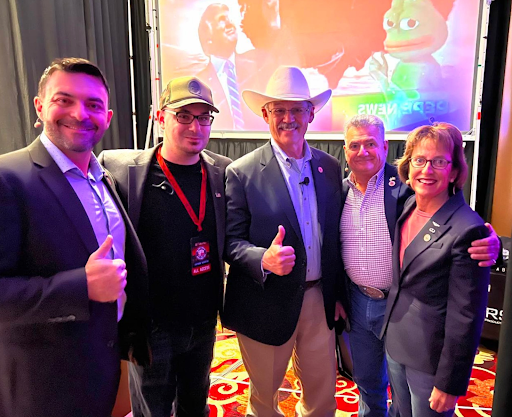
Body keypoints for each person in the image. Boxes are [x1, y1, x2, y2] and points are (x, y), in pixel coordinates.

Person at [0, 57, 149, 417]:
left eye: (93, 105)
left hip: (103, 365)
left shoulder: (104, 177)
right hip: (44, 386)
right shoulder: (8, 177)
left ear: (108, 118)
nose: (80, 114)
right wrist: (79, 286)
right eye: (64, 100)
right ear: (40, 107)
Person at [340, 114, 499, 417]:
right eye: (355, 145)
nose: (363, 152)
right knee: (372, 385)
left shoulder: (403, 190)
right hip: (363, 306)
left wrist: (489, 241)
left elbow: (446, 205)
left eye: (370, 144)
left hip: (419, 332)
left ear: (385, 147)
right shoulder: (343, 190)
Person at [99, 76, 231, 417]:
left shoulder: (222, 172)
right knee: (151, 409)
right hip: (152, 324)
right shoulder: (122, 170)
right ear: (160, 117)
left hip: (202, 321)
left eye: (204, 117)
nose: (195, 126)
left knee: (195, 403)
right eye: (183, 115)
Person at [222, 66, 346, 416]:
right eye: (279, 109)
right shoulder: (242, 172)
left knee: (322, 398)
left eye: (297, 109)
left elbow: (334, 238)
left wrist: (335, 296)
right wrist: (263, 258)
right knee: (264, 400)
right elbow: (230, 241)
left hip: (318, 301)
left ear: (311, 113)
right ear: (265, 114)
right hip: (265, 303)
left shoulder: (329, 167)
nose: (288, 118)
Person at [381, 122, 490, 416]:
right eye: (419, 160)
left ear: (454, 171)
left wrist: (449, 382)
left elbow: (466, 315)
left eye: (439, 161)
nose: (427, 170)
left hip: (430, 360)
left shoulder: (468, 230)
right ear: (408, 165)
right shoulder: (408, 208)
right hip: (396, 341)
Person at [196, 2, 269, 131]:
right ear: (208, 37)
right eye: (222, 20)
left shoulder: (258, 65)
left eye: (230, 19)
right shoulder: (199, 83)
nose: (230, 24)